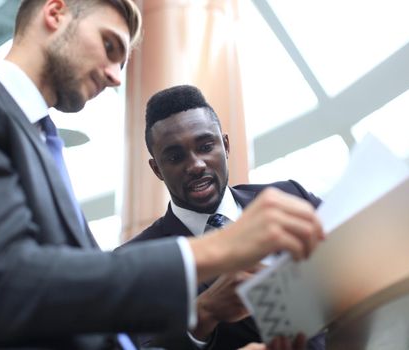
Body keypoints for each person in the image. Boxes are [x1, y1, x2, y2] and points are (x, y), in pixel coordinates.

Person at [0, 1, 323, 349]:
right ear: (55, 12)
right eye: (111, 45)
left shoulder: (43, 150)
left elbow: (78, 314)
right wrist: (213, 252)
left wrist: (206, 318)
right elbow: (4, 281)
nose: (118, 77)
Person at [124, 85, 326, 350]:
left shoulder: (291, 196)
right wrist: (204, 311)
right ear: (157, 169)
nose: (196, 165)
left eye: (206, 146)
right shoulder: (139, 261)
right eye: (175, 156)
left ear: (226, 145)